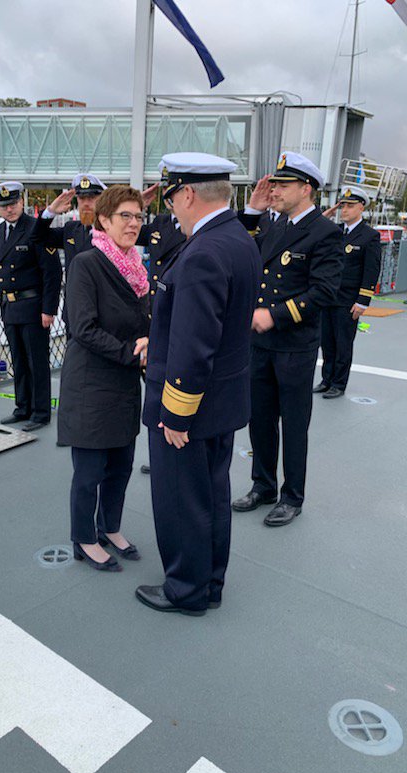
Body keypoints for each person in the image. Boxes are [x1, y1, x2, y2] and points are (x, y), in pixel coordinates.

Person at [136, 153, 260, 615]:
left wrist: (176, 413)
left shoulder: (204, 251)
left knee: (181, 500)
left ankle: (185, 590)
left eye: (172, 199)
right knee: (212, 496)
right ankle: (209, 583)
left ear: (187, 194)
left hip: (190, 406)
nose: (171, 210)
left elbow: (194, 342)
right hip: (223, 400)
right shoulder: (237, 239)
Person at [231, 152, 343, 526]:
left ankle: (292, 496)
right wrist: (252, 208)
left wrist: (273, 315)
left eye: (282, 185)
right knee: (260, 419)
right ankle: (263, 485)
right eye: (273, 184)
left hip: (294, 345)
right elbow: (240, 247)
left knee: (293, 424)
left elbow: (324, 293)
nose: (274, 190)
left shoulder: (325, 233)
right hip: (259, 345)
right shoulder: (273, 225)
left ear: (306, 188)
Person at [57, 185, 150, 571]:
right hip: (92, 383)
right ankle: (83, 537)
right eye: (125, 216)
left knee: (121, 463)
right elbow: (82, 327)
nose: (133, 224)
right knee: (90, 470)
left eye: (139, 217)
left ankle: (109, 526)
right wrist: (133, 351)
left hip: (124, 383)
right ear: (105, 220)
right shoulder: (87, 263)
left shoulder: (137, 269)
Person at [0, 181, 62, 432]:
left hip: (33, 307)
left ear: (22, 202)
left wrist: (48, 309)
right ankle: (23, 407)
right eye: (3, 206)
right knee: (18, 360)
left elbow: (52, 272)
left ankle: (40, 413)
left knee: (36, 362)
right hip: (9, 307)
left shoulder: (36, 229)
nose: (9, 209)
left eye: (12, 204)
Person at [136, 183, 187, 475]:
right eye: (167, 195)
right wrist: (138, 205)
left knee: (175, 390)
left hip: (177, 318)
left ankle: (172, 457)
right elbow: (122, 230)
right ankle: (160, 456)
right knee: (154, 392)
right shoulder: (159, 224)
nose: (170, 200)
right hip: (154, 317)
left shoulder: (198, 230)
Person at [314, 186, 381, 398]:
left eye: (350, 206)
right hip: (329, 298)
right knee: (327, 343)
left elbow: (371, 270)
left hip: (348, 301)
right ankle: (326, 380)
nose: (344, 210)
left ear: (361, 207)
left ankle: (339, 384)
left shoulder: (369, 236)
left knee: (343, 344)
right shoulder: (335, 233)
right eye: (342, 206)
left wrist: (363, 301)